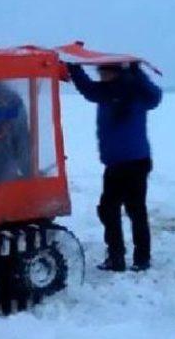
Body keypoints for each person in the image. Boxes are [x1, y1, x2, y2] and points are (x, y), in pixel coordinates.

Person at [68, 61, 162, 272]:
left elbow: (156, 96)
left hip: (135, 162)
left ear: (115, 72)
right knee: (109, 210)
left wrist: (137, 72)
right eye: (99, 72)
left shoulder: (136, 93)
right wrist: (74, 69)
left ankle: (140, 258)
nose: (100, 75)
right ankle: (117, 257)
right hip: (115, 163)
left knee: (133, 210)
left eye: (103, 71)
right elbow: (87, 89)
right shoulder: (105, 92)